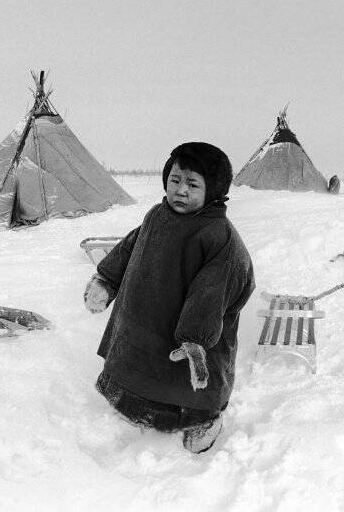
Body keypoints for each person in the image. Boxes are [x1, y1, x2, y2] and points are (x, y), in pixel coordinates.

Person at [83, 142, 255, 453]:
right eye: (175, 180)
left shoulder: (217, 237)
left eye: (192, 184)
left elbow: (213, 289)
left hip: (191, 333)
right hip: (146, 315)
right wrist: (107, 280)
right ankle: (138, 405)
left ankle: (204, 419)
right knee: (139, 367)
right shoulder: (157, 215)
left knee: (187, 384)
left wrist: (195, 338)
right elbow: (131, 248)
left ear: (213, 189)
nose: (181, 191)